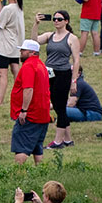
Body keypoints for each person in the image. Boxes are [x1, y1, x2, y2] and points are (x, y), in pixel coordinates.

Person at [33, 12, 83, 150]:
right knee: (57, 105)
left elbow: (76, 60)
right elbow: (34, 42)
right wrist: (36, 24)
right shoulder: (50, 35)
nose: (56, 21)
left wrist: (74, 81)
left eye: (59, 19)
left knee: (60, 107)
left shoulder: (71, 38)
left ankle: (58, 141)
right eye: (54, 19)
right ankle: (67, 139)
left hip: (63, 74)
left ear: (66, 21)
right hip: (49, 73)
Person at [9, 38, 52, 165]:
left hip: (31, 114)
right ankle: (40, 172)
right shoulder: (41, 65)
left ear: (32, 52)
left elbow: (28, 89)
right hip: (42, 114)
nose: (21, 52)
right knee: (37, 147)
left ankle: (18, 174)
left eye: (23, 50)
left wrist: (24, 110)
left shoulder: (29, 66)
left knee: (21, 145)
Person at [0, 0, 26, 107]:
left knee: (3, 73)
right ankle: (22, 97)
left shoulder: (8, 9)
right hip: (15, 45)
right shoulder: (18, 7)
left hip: (5, 46)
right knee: (15, 71)